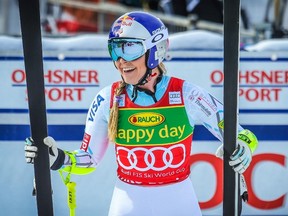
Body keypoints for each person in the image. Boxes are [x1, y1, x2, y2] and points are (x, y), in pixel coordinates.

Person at [24, 11, 258, 216]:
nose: (121, 59)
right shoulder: (108, 98)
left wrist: (244, 146)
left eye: (131, 47)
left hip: (179, 201)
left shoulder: (187, 94)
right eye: (115, 49)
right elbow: (89, 158)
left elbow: (241, 134)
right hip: (127, 202)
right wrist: (59, 158)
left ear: (156, 50)